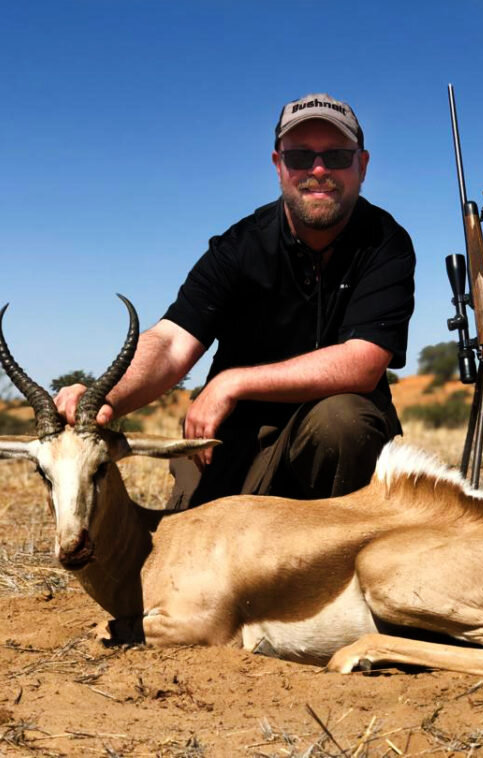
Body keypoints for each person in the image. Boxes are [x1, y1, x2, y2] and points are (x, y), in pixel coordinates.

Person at [55, 93, 415, 507]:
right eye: (300, 158)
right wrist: (107, 395)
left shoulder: (385, 242)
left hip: (334, 449)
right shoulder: (239, 247)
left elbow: (362, 362)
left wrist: (232, 382)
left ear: (362, 165)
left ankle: (335, 553)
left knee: (343, 421)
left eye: (336, 156)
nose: (318, 170)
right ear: (279, 166)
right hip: (241, 437)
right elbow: (173, 341)